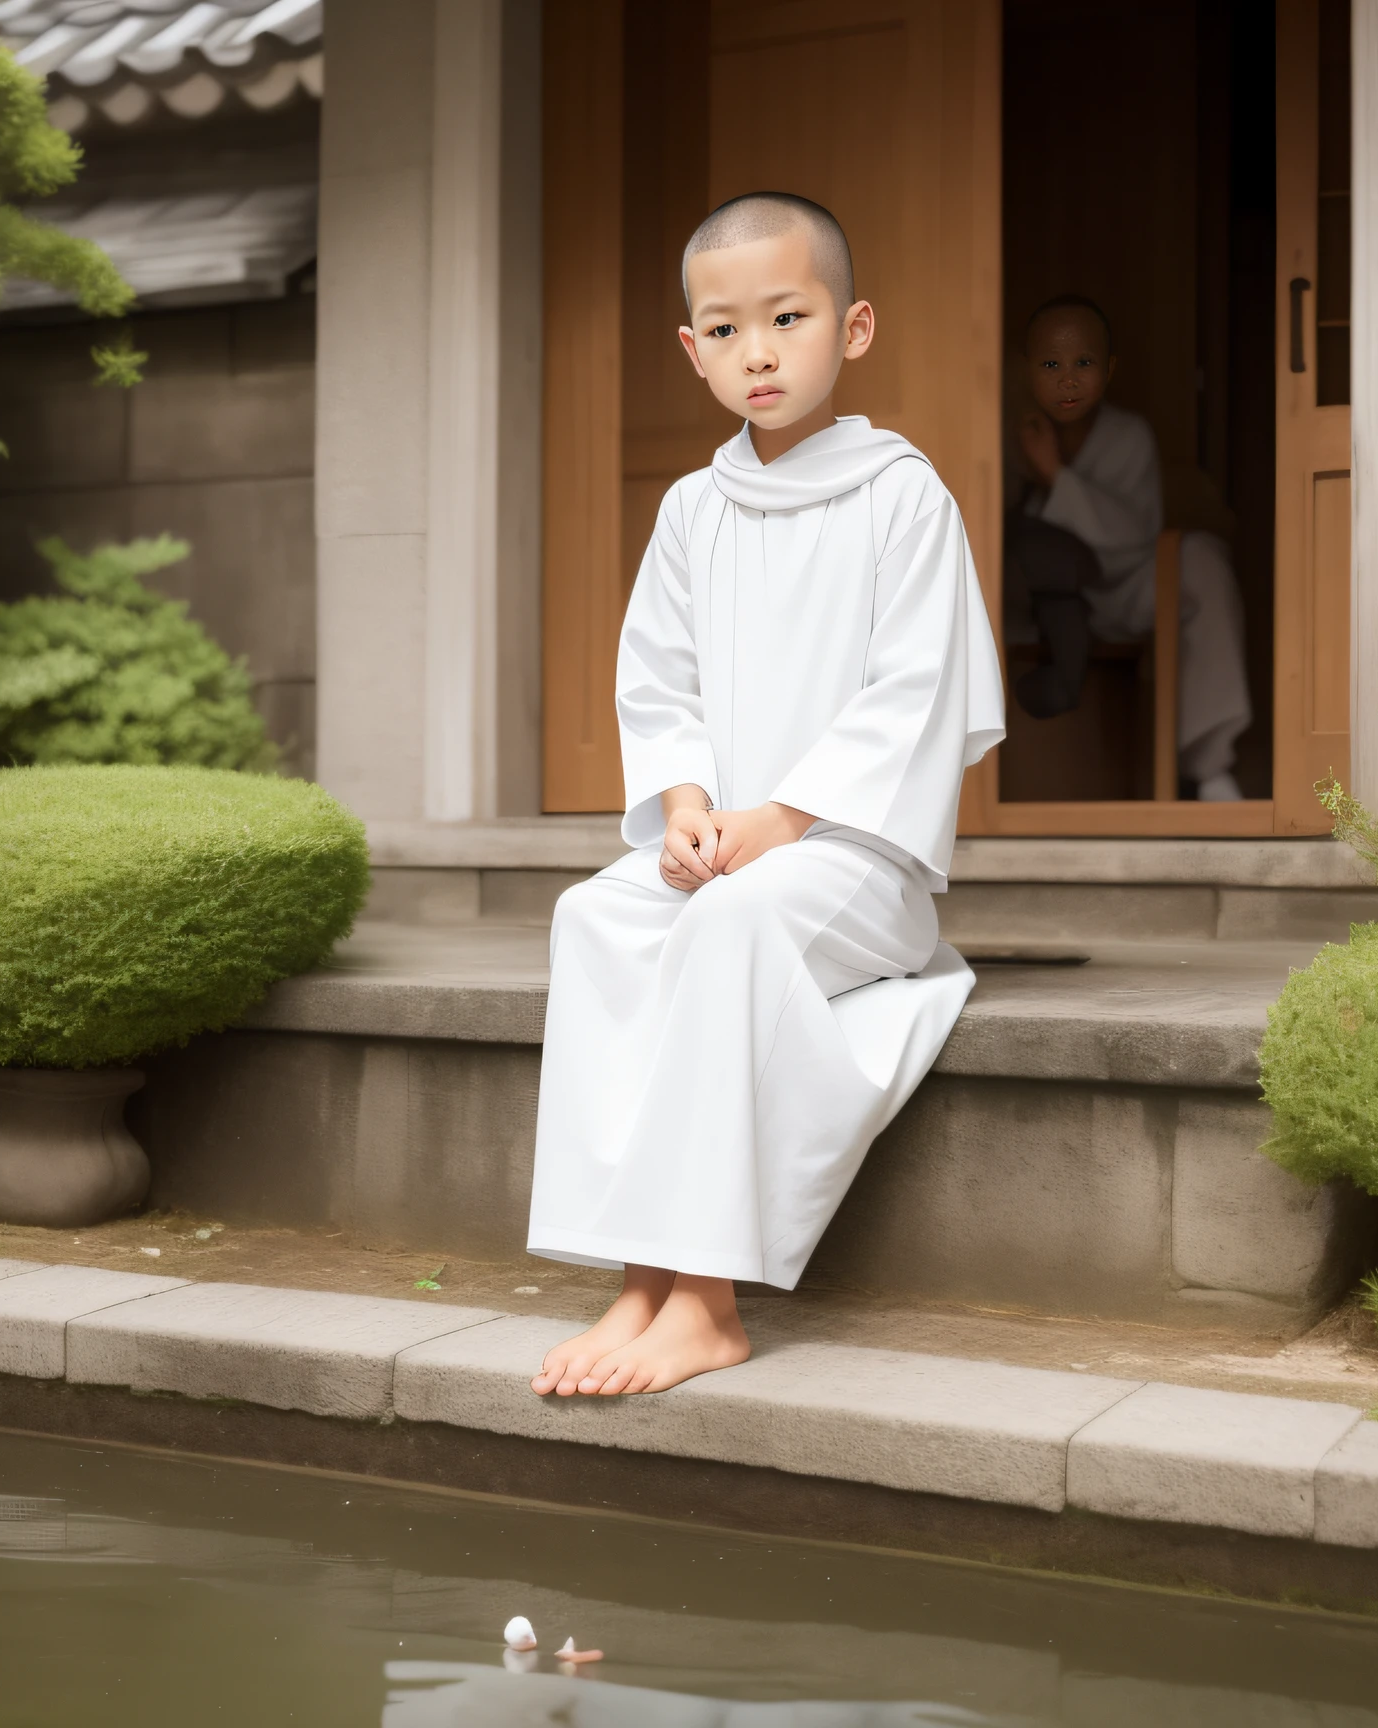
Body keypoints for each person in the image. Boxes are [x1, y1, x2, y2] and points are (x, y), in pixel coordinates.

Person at [526, 192, 1005, 1397]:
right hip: (728, 848)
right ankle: (638, 1274)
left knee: (732, 924)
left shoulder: (903, 496)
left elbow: (914, 697)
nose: (759, 351)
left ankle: (708, 1301)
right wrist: (688, 806)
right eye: (727, 329)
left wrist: (779, 822)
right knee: (598, 918)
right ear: (693, 350)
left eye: (787, 318)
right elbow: (660, 683)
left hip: (854, 865)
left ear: (851, 330)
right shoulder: (694, 511)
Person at [1004, 295, 1252, 801]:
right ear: (1025, 368)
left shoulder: (1128, 435)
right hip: (1034, 600)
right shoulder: (1007, 434)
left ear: (1110, 369)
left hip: (1125, 590)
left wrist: (1056, 476)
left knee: (1201, 559)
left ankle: (1210, 769)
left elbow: (1135, 536)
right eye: (1050, 364)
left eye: (1084, 363)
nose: (1068, 379)